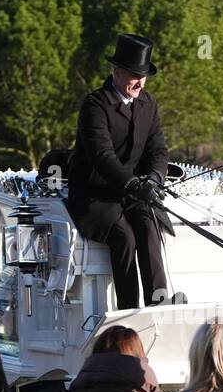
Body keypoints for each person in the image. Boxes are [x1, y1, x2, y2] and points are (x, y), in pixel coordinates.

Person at [66, 34, 172, 309]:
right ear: (117, 71)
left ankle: (158, 305)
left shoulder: (149, 104)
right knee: (124, 237)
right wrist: (133, 184)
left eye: (144, 76)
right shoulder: (95, 106)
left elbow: (158, 150)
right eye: (135, 76)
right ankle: (129, 309)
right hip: (95, 195)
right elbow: (102, 157)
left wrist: (154, 179)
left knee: (149, 226)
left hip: (134, 193)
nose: (141, 83)